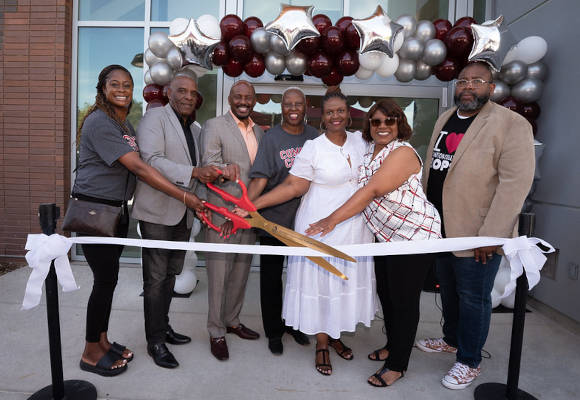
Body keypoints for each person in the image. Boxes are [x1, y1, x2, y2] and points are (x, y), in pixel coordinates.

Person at [73, 65, 215, 376]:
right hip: (98, 211)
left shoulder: (123, 124)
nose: (122, 89)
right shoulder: (108, 122)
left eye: (127, 84)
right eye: (114, 84)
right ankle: (93, 351)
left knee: (116, 281)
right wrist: (187, 194)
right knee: (118, 282)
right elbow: (143, 167)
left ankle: (107, 341)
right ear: (102, 88)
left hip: (118, 210)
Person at [415, 61, 535, 389]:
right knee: (450, 293)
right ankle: (452, 339)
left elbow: (514, 184)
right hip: (440, 230)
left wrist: (491, 236)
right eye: (463, 81)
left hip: (478, 233)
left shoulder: (512, 124)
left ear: (492, 87)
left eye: (477, 81)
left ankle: (469, 360)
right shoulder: (446, 117)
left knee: (473, 297)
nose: (468, 86)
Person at [305, 99, 441, 387]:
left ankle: (397, 365)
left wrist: (332, 220)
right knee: (389, 298)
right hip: (386, 238)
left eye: (389, 121)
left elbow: (373, 190)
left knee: (404, 302)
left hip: (414, 237)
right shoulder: (369, 152)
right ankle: (394, 345)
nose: (382, 126)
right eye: (376, 121)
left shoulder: (402, 152)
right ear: (369, 125)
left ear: (399, 124)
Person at [249, 91, 375, 375]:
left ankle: (335, 334)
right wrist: (253, 206)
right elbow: (293, 186)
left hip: (354, 226)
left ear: (348, 112)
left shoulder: (361, 141)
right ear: (321, 115)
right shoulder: (313, 147)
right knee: (322, 284)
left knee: (342, 283)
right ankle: (321, 343)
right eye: (329, 112)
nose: (335, 116)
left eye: (340, 110)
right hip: (320, 227)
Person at [132, 69, 239, 369]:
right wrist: (194, 173)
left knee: (170, 276)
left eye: (192, 93)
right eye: (182, 91)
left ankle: (162, 327)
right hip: (156, 213)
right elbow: (151, 161)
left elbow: (202, 174)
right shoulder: (155, 118)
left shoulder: (194, 130)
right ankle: (154, 342)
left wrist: (221, 172)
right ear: (168, 92)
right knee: (155, 280)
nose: (188, 97)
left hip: (184, 214)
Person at [247, 87, 318, 355]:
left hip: (304, 223)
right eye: (288, 103)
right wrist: (247, 208)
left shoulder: (315, 137)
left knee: (300, 279)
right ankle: (274, 331)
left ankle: (295, 325)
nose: (293, 108)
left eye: (298, 103)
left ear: (306, 105)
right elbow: (261, 178)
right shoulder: (271, 138)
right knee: (271, 279)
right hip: (273, 222)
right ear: (281, 106)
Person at [201, 80, 264, 361]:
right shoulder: (214, 126)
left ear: (254, 100)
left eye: (248, 97)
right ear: (229, 98)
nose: (243, 101)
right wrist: (223, 210)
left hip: (249, 215)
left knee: (240, 272)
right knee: (218, 276)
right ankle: (216, 331)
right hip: (223, 215)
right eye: (238, 96)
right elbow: (208, 166)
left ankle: (232, 321)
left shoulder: (260, 131)